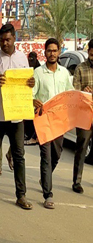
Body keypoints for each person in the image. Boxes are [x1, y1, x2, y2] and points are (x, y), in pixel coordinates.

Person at [0, 23, 35, 209]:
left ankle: (21, 195)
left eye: (8, 39)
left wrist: (31, 83)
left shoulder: (22, 58)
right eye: (2, 40)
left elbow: (27, 83)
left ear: (14, 38)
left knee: (19, 156)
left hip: (17, 116)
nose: (5, 43)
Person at [31, 38, 72, 209]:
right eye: (49, 50)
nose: (52, 53)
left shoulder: (64, 73)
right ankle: (48, 193)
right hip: (43, 120)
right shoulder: (38, 73)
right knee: (46, 157)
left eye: (55, 50)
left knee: (56, 154)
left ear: (59, 51)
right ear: (45, 52)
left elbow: (70, 93)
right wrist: (34, 101)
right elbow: (32, 94)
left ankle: (44, 178)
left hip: (60, 120)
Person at [71, 38, 93, 194]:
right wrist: (85, 91)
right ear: (89, 52)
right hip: (84, 114)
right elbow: (75, 92)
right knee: (82, 146)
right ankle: (77, 181)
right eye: (92, 53)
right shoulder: (80, 68)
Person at [24, 51, 41, 146]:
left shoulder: (38, 69)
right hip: (29, 95)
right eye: (29, 58)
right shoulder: (27, 65)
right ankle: (29, 135)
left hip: (36, 96)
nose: (31, 60)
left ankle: (33, 136)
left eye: (32, 58)